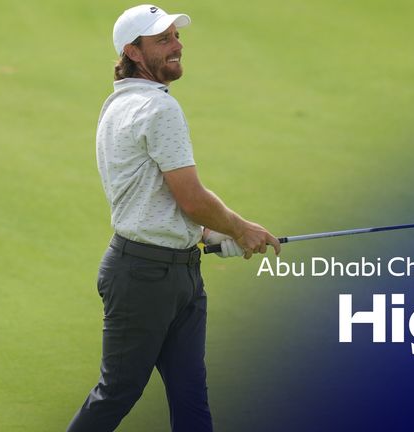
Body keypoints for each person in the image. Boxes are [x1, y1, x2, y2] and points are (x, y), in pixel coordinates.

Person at [67, 5, 280, 431]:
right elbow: (191, 198)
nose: (177, 46)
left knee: (189, 395)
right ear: (134, 51)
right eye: (162, 40)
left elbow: (153, 199)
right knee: (118, 393)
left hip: (174, 271)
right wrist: (241, 229)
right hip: (145, 275)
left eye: (175, 36)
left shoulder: (118, 102)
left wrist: (209, 236)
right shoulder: (159, 109)